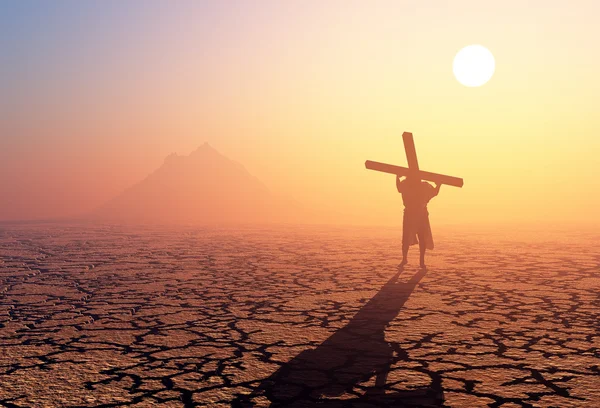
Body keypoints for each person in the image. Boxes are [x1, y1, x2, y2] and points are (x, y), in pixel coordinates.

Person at [396, 175, 441, 268]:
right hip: (411, 213)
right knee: (406, 237)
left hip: (421, 214)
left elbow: (434, 192)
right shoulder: (407, 184)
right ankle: (406, 259)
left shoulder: (423, 186)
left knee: (421, 238)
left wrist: (439, 184)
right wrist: (439, 184)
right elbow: (399, 188)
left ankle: (421, 261)